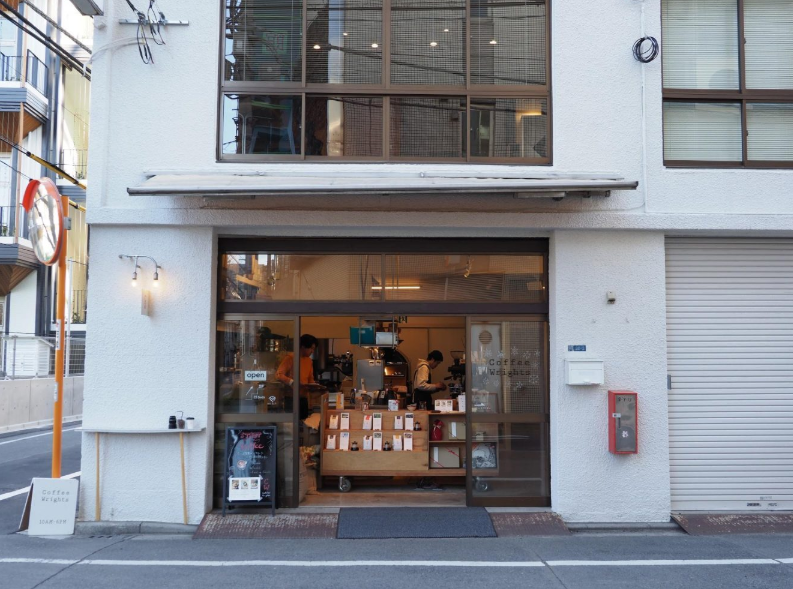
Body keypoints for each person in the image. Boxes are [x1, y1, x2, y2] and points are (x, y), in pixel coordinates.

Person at [277, 334, 322, 419]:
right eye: (311, 348)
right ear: (303, 346)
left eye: (314, 349)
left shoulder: (309, 361)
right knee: (291, 423)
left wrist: (316, 387)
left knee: (303, 422)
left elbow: (310, 379)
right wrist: (293, 382)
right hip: (291, 398)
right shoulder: (290, 357)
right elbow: (279, 374)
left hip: (303, 398)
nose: (312, 351)